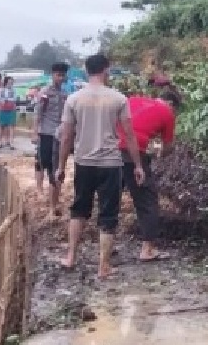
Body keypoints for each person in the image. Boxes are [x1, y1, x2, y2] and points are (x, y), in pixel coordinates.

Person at [56, 53, 145, 279]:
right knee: (108, 214)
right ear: (106, 70)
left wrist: (61, 166)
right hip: (110, 164)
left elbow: (66, 136)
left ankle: (71, 256)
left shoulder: (74, 99)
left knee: (78, 209)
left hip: (83, 162)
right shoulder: (118, 98)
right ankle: (103, 267)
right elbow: (130, 135)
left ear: (86, 71)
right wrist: (138, 165)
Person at [116, 87, 180, 262]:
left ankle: (107, 244)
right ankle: (148, 249)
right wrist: (158, 154)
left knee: (111, 197)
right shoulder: (167, 112)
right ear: (171, 104)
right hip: (133, 154)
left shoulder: (134, 99)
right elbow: (167, 147)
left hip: (109, 150)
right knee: (147, 200)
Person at [35, 64, 69, 212]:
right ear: (52, 75)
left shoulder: (64, 94)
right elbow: (38, 113)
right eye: (58, 75)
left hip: (59, 134)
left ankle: (53, 203)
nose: (60, 78)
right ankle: (40, 190)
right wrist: (34, 132)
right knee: (43, 162)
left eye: (63, 75)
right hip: (46, 133)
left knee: (57, 167)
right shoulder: (45, 92)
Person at [0, 76, 18, 149]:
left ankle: (11, 142)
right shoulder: (0, 90)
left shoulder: (14, 90)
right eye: (9, 82)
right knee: (1, 126)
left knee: (11, 126)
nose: (10, 83)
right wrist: (3, 101)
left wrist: (9, 101)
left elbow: (14, 99)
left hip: (11, 109)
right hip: (2, 109)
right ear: (6, 82)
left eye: (12, 82)